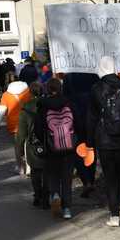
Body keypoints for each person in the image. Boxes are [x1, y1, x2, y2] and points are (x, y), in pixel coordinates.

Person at [87, 56, 120, 227]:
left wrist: (89, 141)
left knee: (110, 177)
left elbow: (91, 117)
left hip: (104, 139)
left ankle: (114, 214)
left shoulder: (96, 88)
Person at [37, 78, 77, 219]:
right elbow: (76, 122)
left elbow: (38, 127)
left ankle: (54, 194)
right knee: (67, 179)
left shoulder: (42, 105)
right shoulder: (69, 102)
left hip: (51, 146)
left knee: (53, 174)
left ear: (47, 89)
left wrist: (43, 141)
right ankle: (67, 209)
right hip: (69, 146)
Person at [63, 71, 100, 197]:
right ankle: (91, 178)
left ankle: (86, 180)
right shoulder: (92, 72)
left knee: (78, 149)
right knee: (91, 147)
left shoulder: (69, 75)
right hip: (92, 114)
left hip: (76, 114)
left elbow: (65, 96)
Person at [18, 82, 49, 208]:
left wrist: (20, 151)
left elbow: (21, 134)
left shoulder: (25, 109)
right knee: (47, 171)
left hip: (33, 145)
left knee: (36, 172)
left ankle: (38, 195)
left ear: (30, 93)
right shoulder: (49, 105)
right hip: (48, 143)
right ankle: (47, 197)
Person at [0, 80, 33, 176]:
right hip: (28, 122)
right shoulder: (28, 92)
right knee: (28, 145)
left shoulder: (6, 95)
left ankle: (20, 167)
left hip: (13, 124)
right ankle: (29, 167)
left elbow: (1, 110)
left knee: (17, 146)